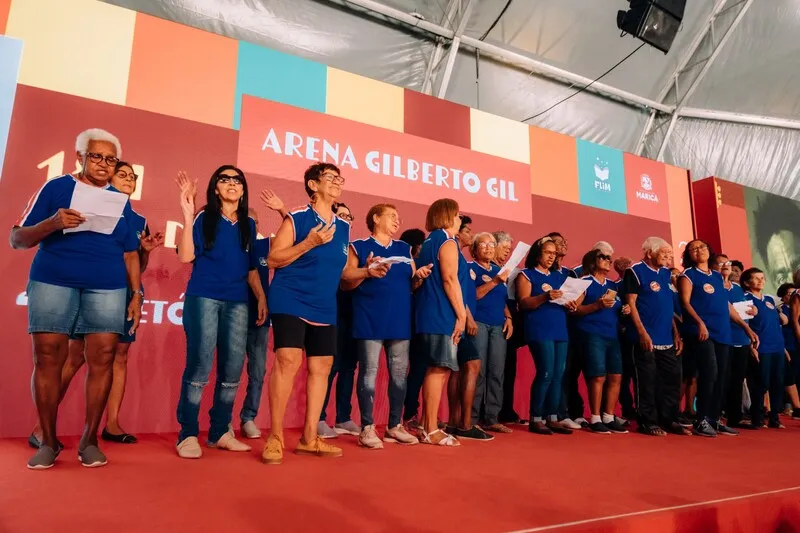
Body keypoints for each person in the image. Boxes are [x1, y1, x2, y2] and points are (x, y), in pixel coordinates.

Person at [12, 129, 143, 469]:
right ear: (80, 157)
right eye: (96, 156)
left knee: (102, 359)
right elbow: (18, 238)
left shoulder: (121, 200)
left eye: (110, 159)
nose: (103, 164)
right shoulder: (56, 187)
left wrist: (137, 294)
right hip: (54, 281)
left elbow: (130, 252)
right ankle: (49, 442)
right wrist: (52, 223)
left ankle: (89, 439)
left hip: (107, 287)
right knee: (47, 358)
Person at [262, 163, 351, 464]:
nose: (337, 183)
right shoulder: (296, 218)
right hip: (290, 299)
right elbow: (273, 258)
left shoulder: (344, 226)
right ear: (313, 186)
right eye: (331, 178)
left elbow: (343, 270)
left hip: (324, 305)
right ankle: (275, 436)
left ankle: (310, 437)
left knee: (322, 368)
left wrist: (369, 270)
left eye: (340, 179)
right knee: (287, 361)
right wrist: (309, 243)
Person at [174, 166, 266, 459]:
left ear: (243, 188)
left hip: (238, 301)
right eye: (224, 180)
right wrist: (187, 216)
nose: (231, 184)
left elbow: (251, 268)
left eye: (236, 180)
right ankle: (187, 434)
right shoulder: (205, 217)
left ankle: (219, 432)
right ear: (216, 188)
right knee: (199, 368)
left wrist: (261, 297)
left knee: (231, 371)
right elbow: (187, 255)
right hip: (204, 298)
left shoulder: (248, 224)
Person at [342, 204, 426, 448]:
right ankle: (367, 428)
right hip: (369, 318)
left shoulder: (403, 248)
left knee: (399, 375)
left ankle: (394, 425)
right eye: (391, 216)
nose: (396, 221)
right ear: (376, 218)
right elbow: (346, 280)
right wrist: (366, 271)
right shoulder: (359, 246)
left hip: (399, 320)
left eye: (398, 218)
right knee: (368, 373)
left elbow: (410, 284)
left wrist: (419, 278)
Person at [678, 240, 757, 438]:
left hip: (723, 333)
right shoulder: (688, 275)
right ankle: (701, 419)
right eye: (693, 249)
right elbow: (685, 303)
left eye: (702, 247)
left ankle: (714, 419)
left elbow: (727, 305)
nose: (699, 251)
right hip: (702, 332)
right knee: (710, 373)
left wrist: (745, 326)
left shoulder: (716, 276)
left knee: (722, 376)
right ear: (689, 255)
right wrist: (699, 323)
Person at [624, 238, 688, 436]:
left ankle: (669, 419)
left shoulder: (666, 275)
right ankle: (648, 422)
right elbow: (631, 304)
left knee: (671, 380)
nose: (669, 257)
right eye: (664, 253)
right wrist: (642, 333)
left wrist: (676, 333)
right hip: (644, 338)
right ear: (649, 252)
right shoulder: (635, 271)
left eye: (670, 253)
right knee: (647, 382)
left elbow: (668, 308)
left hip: (666, 339)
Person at [238, 190, 288, 439]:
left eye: (253, 222)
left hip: (260, 317)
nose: (249, 226)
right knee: (231, 370)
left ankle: (249, 417)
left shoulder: (267, 245)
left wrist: (281, 210)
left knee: (257, 371)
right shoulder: (234, 244)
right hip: (233, 314)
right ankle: (223, 419)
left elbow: (294, 233)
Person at [415, 199, 465, 446]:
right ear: (448, 216)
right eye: (458, 214)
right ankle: (431, 429)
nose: (460, 219)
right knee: (439, 368)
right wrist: (462, 315)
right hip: (440, 314)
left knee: (436, 368)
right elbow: (449, 279)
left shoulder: (429, 240)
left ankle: (428, 426)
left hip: (430, 313)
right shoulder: (446, 240)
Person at [516, 237, 576, 435]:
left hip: (560, 329)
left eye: (554, 254)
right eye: (548, 253)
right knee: (546, 372)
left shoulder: (559, 277)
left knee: (559, 374)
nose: (552, 257)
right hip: (539, 329)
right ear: (537, 253)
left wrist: (571, 304)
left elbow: (566, 299)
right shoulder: (527, 275)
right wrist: (545, 296)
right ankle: (536, 417)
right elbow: (524, 303)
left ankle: (552, 417)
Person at [573, 249, 630, 434]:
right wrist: (596, 305)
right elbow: (575, 309)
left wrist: (625, 310)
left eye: (609, 258)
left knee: (616, 376)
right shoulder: (583, 282)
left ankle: (609, 416)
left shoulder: (613, 286)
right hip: (591, 333)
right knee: (598, 376)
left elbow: (616, 308)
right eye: (603, 257)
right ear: (591, 261)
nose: (607, 260)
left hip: (612, 335)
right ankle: (595, 418)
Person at [318, 202, 361, 439]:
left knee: (348, 367)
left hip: (351, 313)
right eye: (341, 215)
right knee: (329, 366)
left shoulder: (355, 250)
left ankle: (344, 417)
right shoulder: (324, 244)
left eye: (348, 215)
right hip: (327, 310)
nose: (346, 219)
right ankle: (319, 417)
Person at [446, 221, 492, 441]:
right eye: (466, 230)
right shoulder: (451, 251)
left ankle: (455, 423)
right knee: (470, 365)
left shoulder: (458, 256)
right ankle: (464, 424)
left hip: (461, 319)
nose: (470, 234)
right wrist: (468, 318)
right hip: (459, 320)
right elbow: (453, 286)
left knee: (457, 369)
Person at [468, 232, 513, 434]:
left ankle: (492, 417)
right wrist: (494, 281)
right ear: (475, 249)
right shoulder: (471, 268)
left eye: (492, 244)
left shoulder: (499, 270)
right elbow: (473, 296)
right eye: (483, 244)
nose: (488, 247)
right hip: (478, 322)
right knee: (478, 372)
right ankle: (472, 418)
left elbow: (501, 299)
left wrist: (509, 318)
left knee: (496, 371)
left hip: (498, 325)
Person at [713, 253, 757, 430]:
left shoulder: (738, 289)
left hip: (742, 339)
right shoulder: (714, 286)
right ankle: (716, 415)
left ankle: (735, 416)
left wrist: (753, 310)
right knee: (721, 378)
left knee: (737, 379)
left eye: (728, 263)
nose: (725, 266)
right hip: (724, 337)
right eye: (721, 263)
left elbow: (745, 309)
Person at [742, 268, 786, 428]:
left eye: (762, 278)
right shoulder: (745, 298)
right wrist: (751, 347)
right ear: (747, 282)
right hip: (761, 347)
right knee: (761, 383)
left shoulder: (769, 299)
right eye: (756, 278)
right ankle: (757, 416)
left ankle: (775, 417)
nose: (761, 281)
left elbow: (779, 322)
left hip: (777, 346)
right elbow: (744, 325)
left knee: (778, 382)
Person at [400, 228, 428, 428]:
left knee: (414, 370)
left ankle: (412, 413)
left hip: (413, 323)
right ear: (417, 246)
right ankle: (409, 414)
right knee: (416, 370)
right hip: (414, 324)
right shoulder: (415, 266)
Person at [613, 256, 636, 422]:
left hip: (639, 332)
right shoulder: (615, 286)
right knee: (624, 374)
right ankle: (628, 408)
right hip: (622, 335)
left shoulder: (637, 285)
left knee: (637, 373)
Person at [778, 283, 800, 419]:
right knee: (792, 375)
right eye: (789, 294)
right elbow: (795, 322)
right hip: (791, 344)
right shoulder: (781, 310)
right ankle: (790, 405)